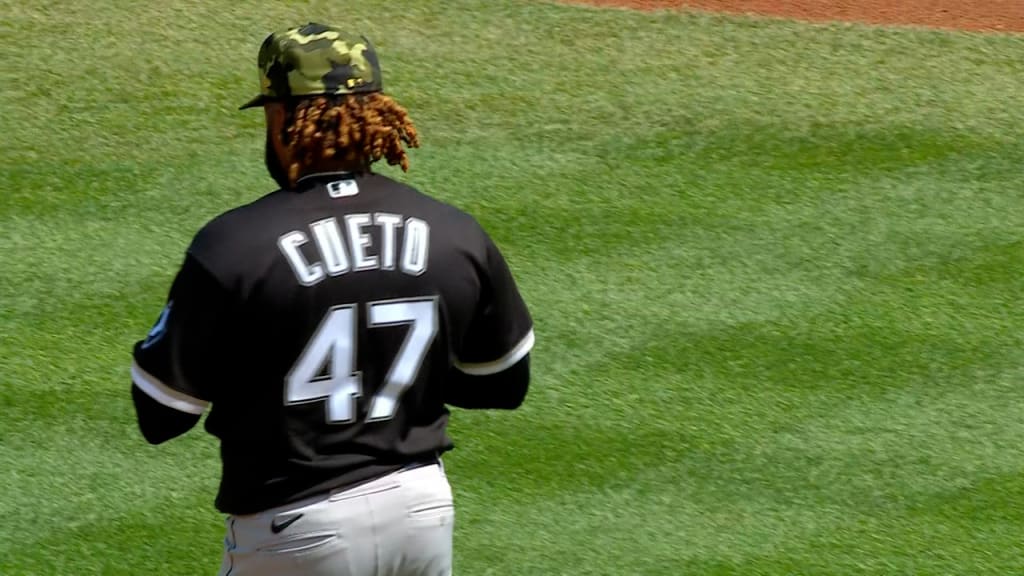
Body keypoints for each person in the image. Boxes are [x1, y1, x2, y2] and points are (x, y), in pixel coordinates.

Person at [129, 22, 534, 576]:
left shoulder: (235, 245)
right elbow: (501, 384)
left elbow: (163, 413)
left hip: (295, 529)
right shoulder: (453, 232)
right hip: (421, 511)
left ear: (281, 118)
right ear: (376, 114)